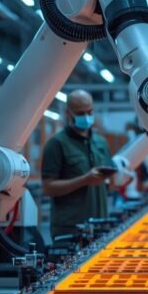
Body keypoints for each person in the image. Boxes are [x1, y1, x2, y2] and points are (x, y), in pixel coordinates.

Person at [41, 90, 114, 241]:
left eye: (90, 111)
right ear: (69, 113)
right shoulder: (57, 144)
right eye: (81, 113)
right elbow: (48, 187)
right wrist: (84, 180)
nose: (86, 117)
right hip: (70, 229)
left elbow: (109, 183)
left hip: (100, 226)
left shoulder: (100, 142)